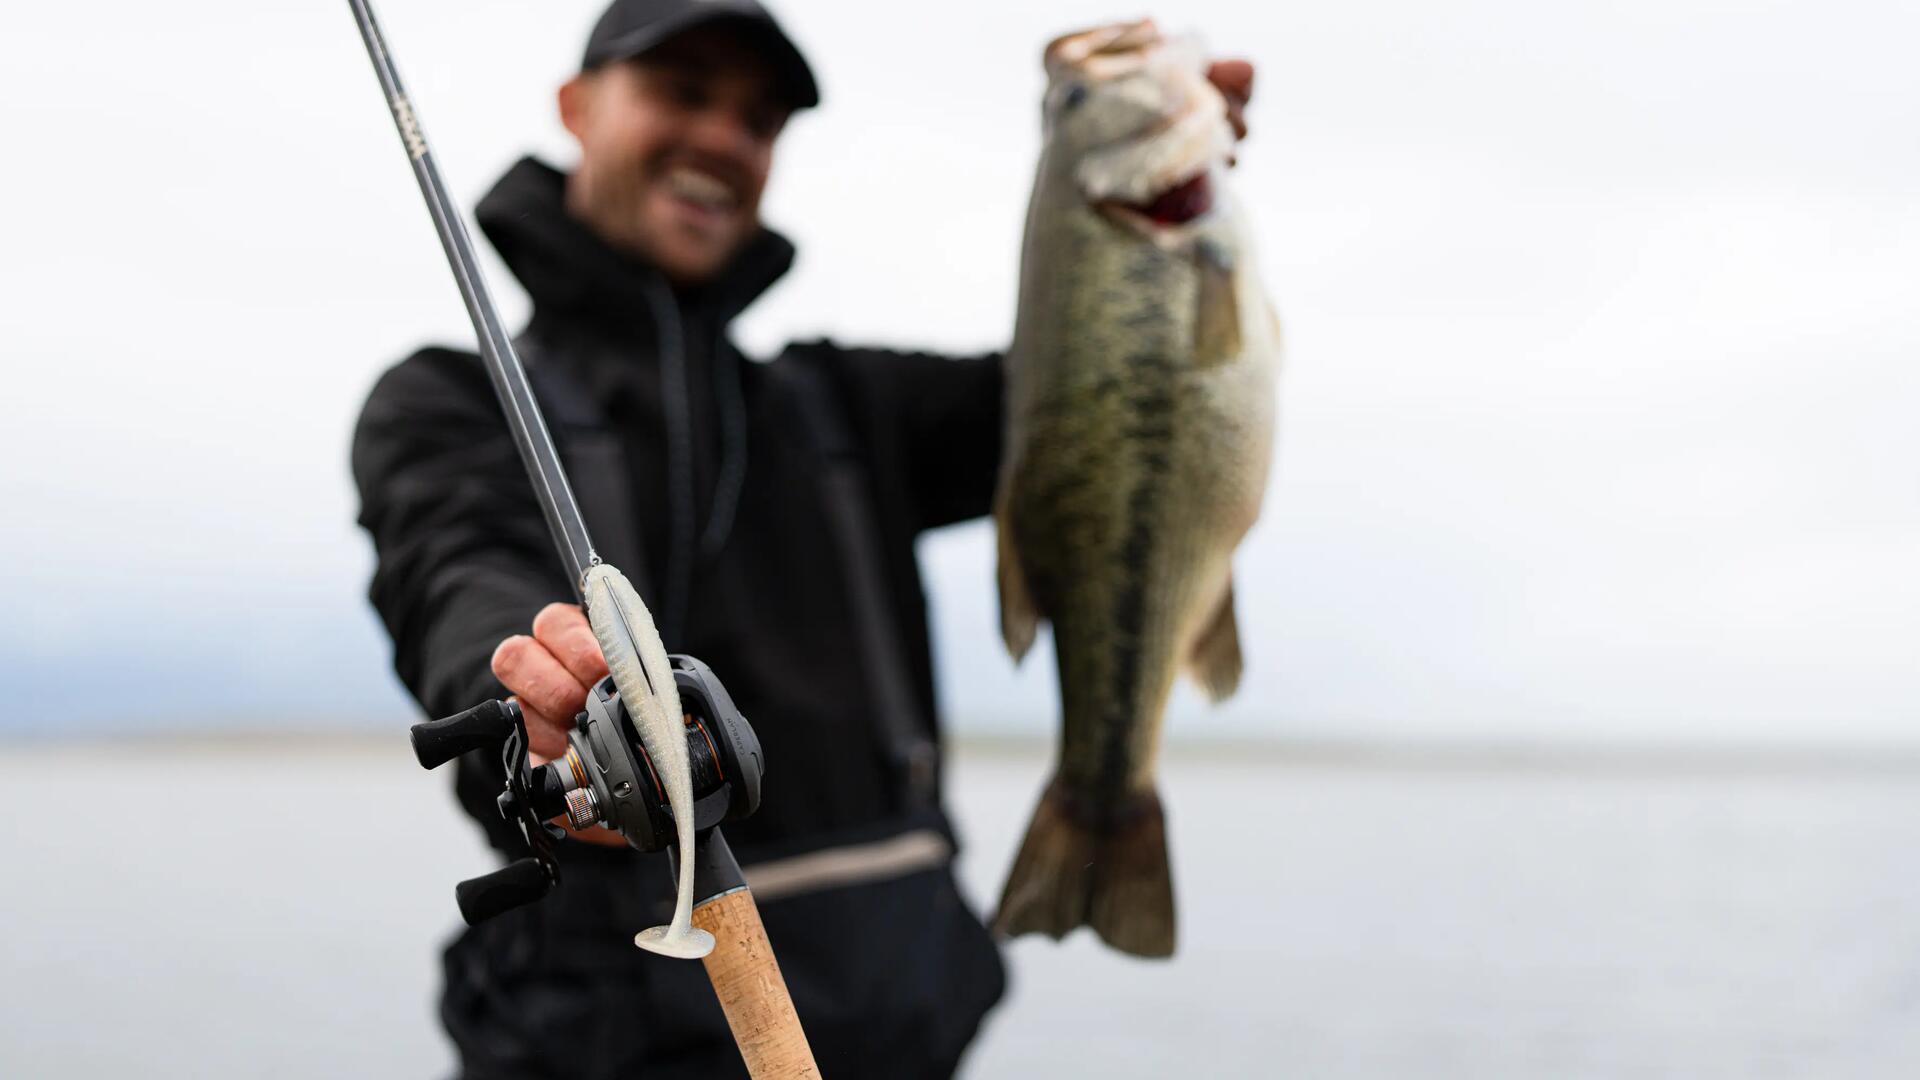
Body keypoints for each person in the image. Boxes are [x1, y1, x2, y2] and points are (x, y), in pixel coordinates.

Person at [351, 1, 1254, 1076]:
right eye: (682, 93)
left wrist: (1148, 198)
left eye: (759, 119)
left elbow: (1103, 404)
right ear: (576, 108)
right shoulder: (451, 404)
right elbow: (459, 578)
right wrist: (544, 706)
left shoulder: (847, 403)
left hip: (909, 1042)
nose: (724, 139)